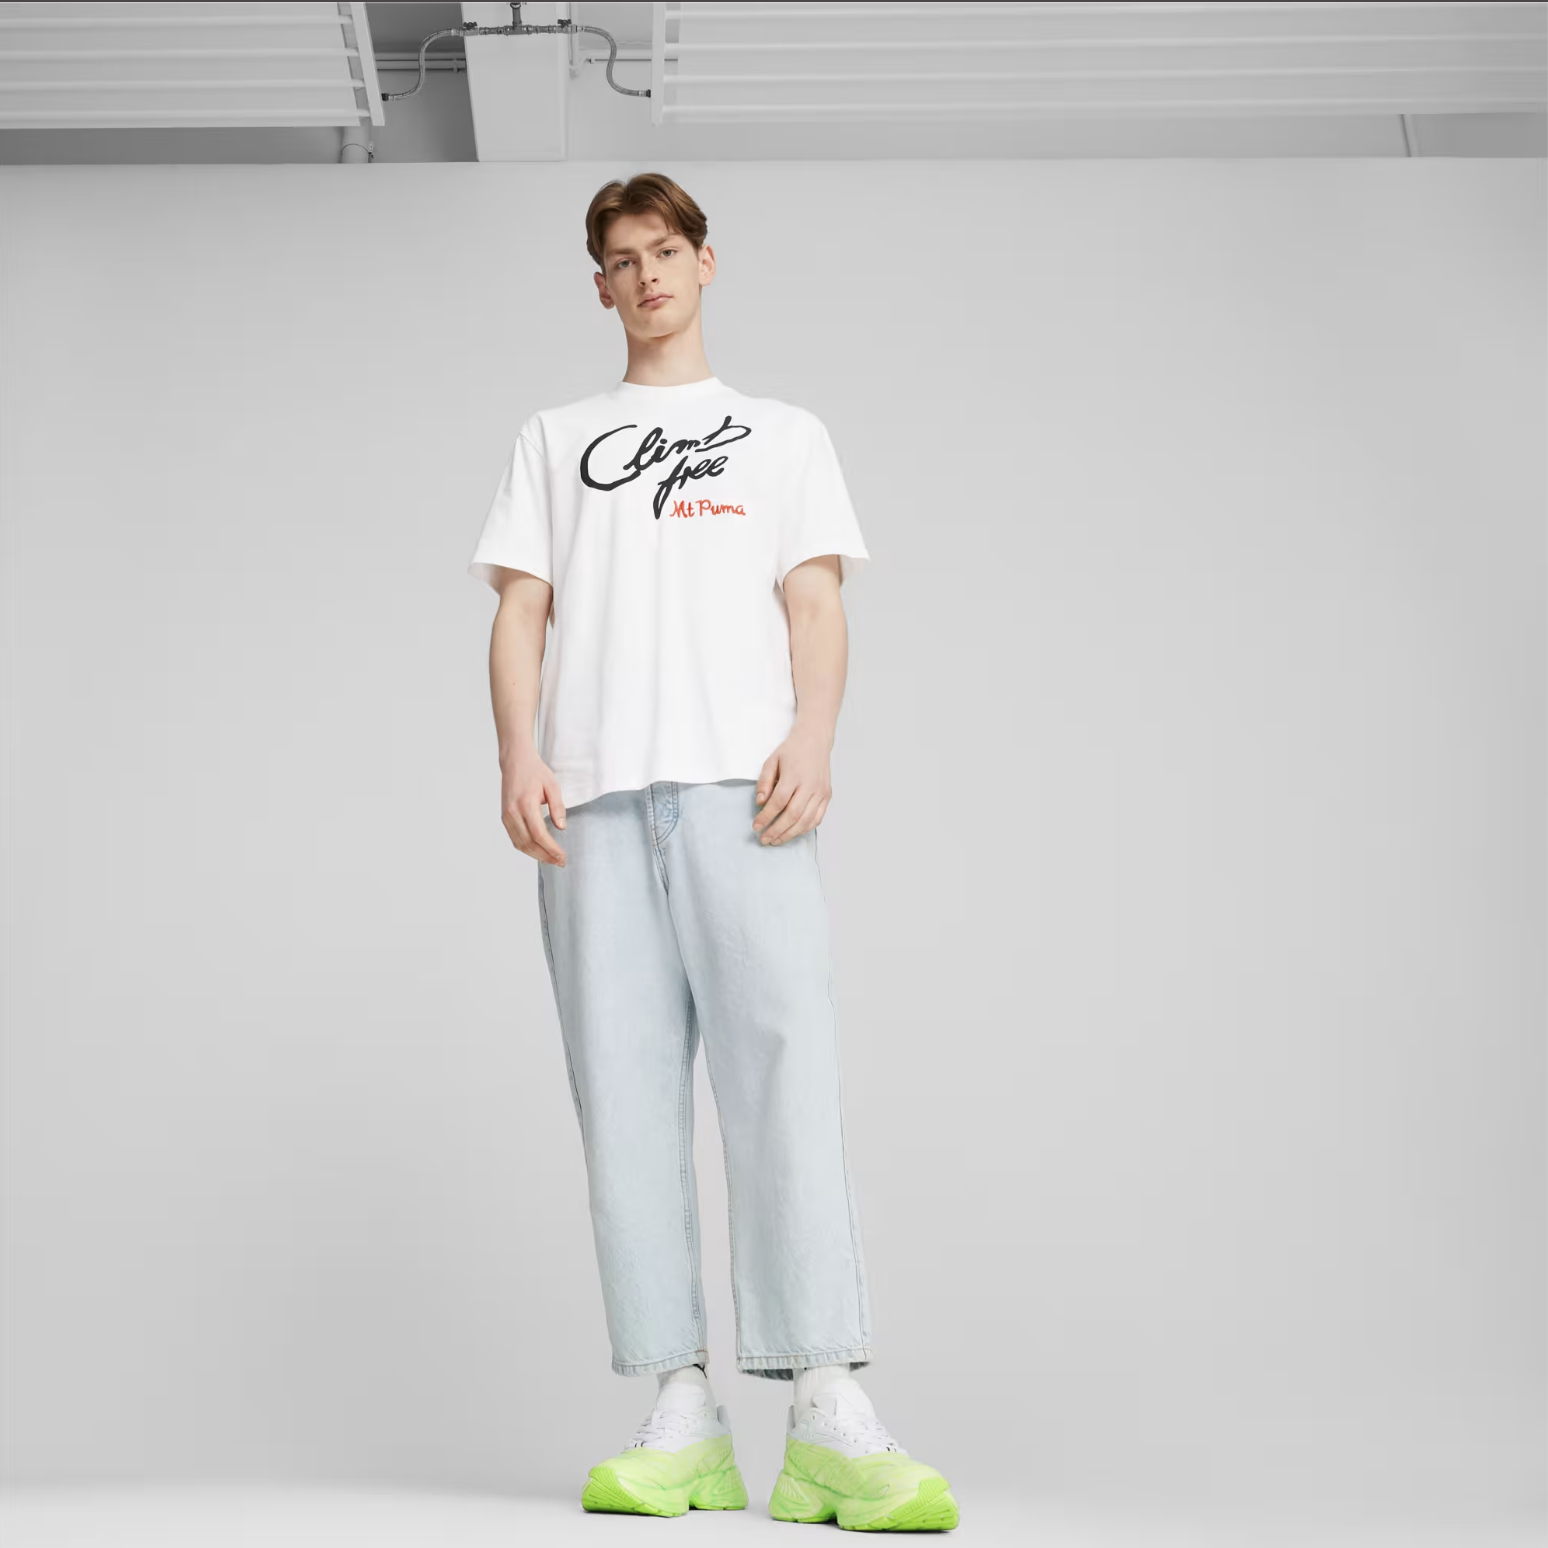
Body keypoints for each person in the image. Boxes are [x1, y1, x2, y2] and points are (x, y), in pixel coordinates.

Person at [467, 172, 958, 1532]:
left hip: (747, 797)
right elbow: (520, 614)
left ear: (705, 262)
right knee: (623, 1101)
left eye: (666, 250)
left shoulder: (782, 436)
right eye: (622, 259)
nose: (648, 275)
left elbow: (817, 602)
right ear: (601, 287)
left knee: (784, 1077)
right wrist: (517, 757)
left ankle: (827, 1404)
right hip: (592, 805)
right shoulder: (556, 439)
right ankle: (679, 1405)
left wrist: (816, 735)